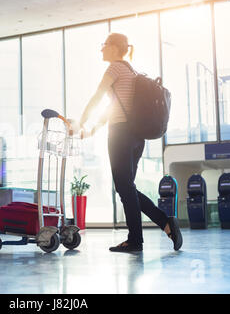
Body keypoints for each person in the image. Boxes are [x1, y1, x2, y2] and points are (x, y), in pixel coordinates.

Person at [78, 33, 182, 253]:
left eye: (104, 45)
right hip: (136, 136)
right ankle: (165, 224)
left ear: (115, 48)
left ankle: (136, 240)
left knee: (124, 187)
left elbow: (98, 97)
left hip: (121, 134)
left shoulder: (114, 68)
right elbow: (112, 107)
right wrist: (93, 129)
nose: (101, 49)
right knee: (127, 188)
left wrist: (80, 122)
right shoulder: (130, 72)